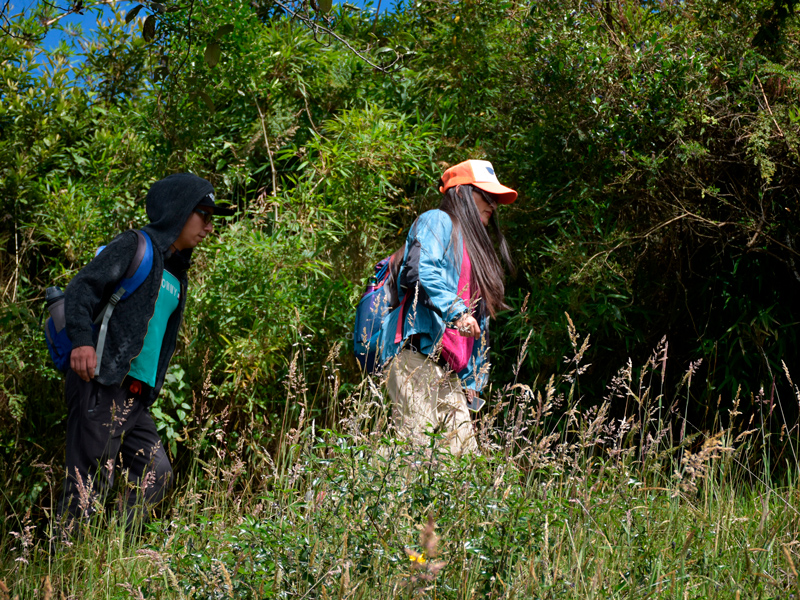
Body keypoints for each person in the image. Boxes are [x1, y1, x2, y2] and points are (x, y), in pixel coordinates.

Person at [57, 173, 234, 534]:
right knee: (86, 489)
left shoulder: (176, 271)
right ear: (179, 210)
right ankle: (60, 575)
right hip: (101, 384)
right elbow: (82, 288)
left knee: (157, 474)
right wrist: (81, 341)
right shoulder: (136, 245)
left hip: (134, 397)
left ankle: (109, 549)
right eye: (205, 214)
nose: (210, 228)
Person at [378, 160, 516, 455]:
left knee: (462, 461)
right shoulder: (437, 221)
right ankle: (352, 496)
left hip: (450, 373)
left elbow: (479, 323)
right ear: (462, 193)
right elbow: (420, 270)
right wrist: (457, 312)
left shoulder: (474, 249)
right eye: (486, 195)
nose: (493, 204)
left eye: (495, 199)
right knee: (414, 450)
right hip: (415, 357)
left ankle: (354, 490)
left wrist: (473, 381)